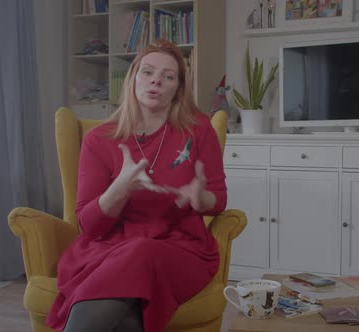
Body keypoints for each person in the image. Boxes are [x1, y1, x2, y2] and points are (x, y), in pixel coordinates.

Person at [45, 39, 227, 332]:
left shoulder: (198, 128)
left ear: (178, 88)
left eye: (168, 76)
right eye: (148, 72)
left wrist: (200, 198)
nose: (156, 80)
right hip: (108, 249)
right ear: (132, 78)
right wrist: (119, 189)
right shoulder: (98, 141)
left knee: (141, 252)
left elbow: (218, 199)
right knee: (128, 320)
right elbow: (88, 226)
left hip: (181, 249)